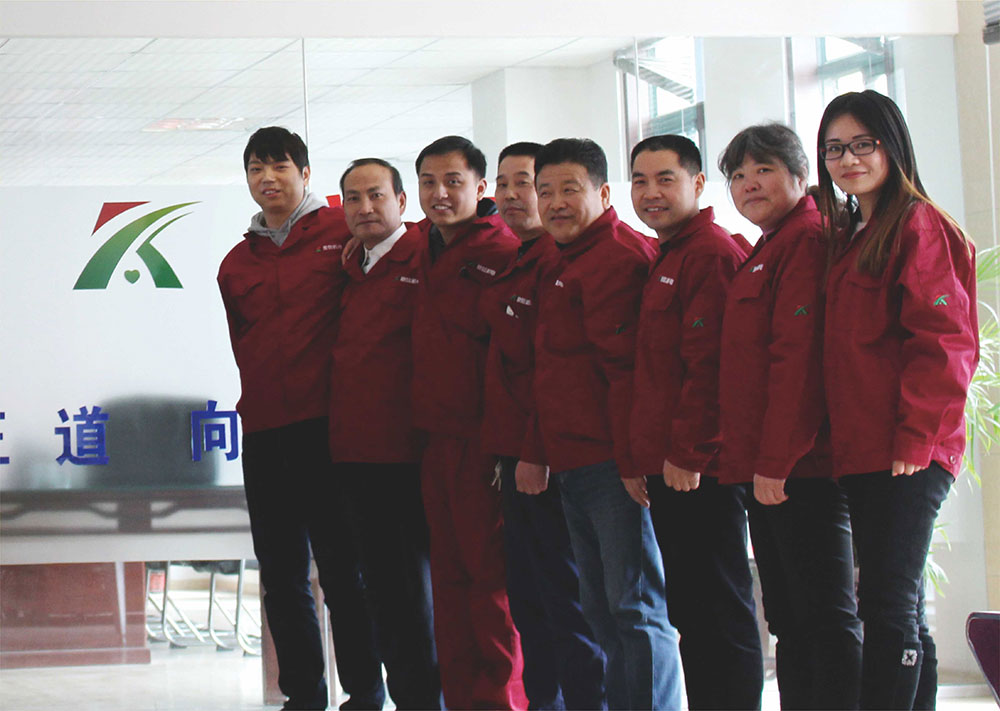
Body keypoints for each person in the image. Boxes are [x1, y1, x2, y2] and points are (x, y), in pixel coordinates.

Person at [817, 90, 978, 710]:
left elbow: (945, 343)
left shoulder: (918, 225)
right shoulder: (855, 232)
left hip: (908, 451)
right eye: (835, 148)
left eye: (863, 144)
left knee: (886, 606)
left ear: (892, 145)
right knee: (899, 605)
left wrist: (916, 437)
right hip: (863, 448)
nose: (848, 159)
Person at [217, 127, 384, 711]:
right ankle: (304, 696)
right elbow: (242, 343)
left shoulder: (344, 233)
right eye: (256, 169)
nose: (267, 178)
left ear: (305, 173)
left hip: (330, 430)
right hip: (265, 433)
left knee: (343, 571)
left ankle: (365, 692)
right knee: (282, 575)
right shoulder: (236, 263)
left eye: (279, 166)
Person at [520, 137, 683, 711]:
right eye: (545, 192)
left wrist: (633, 461)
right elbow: (549, 368)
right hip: (573, 463)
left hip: (616, 468)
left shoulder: (619, 257)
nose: (555, 203)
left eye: (570, 190)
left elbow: (631, 374)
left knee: (635, 609)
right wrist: (538, 450)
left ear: (603, 193)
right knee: (600, 610)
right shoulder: (558, 257)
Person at [716, 123, 863, 710]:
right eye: (739, 175)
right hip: (769, 468)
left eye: (764, 170)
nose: (749, 184)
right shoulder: (771, 245)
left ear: (801, 176)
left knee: (824, 617)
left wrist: (776, 461)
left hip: (802, 467)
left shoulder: (805, 240)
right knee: (790, 618)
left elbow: (798, 361)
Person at [628, 134, 763, 709]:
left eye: (666, 179)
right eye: (640, 181)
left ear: (698, 183)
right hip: (671, 466)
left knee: (720, 611)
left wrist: (689, 453)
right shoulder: (670, 253)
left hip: (700, 468)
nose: (651, 193)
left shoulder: (709, 253)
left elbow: (712, 368)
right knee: (693, 611)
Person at [481, 141, 606, 710]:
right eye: (503, 184)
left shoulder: (563, 262)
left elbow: (554, 374)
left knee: (570, 602)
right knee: (531, 601)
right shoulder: (516, 261)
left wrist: (535, 453)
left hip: (555, 459)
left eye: (525, 183)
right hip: (514, 456)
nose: (512, 195)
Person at [409, 135, 527, 710]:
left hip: (484, 445)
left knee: (491, 584)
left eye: (453, 181)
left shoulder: (502, 252)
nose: (440, 193)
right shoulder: (419, 248)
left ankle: (502, 701)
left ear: (480, 188)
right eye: (428, 182)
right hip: (434, 442)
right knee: (449, 583)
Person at [329, 158, 441, 710]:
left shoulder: (425, 253)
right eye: (353, 198)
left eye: (376, 195)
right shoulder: (354, 266)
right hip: (356, 459)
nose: (365, 207)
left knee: (412, 594)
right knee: (382, 593)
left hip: (408, 459)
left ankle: (424, 700)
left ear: (401, 201)